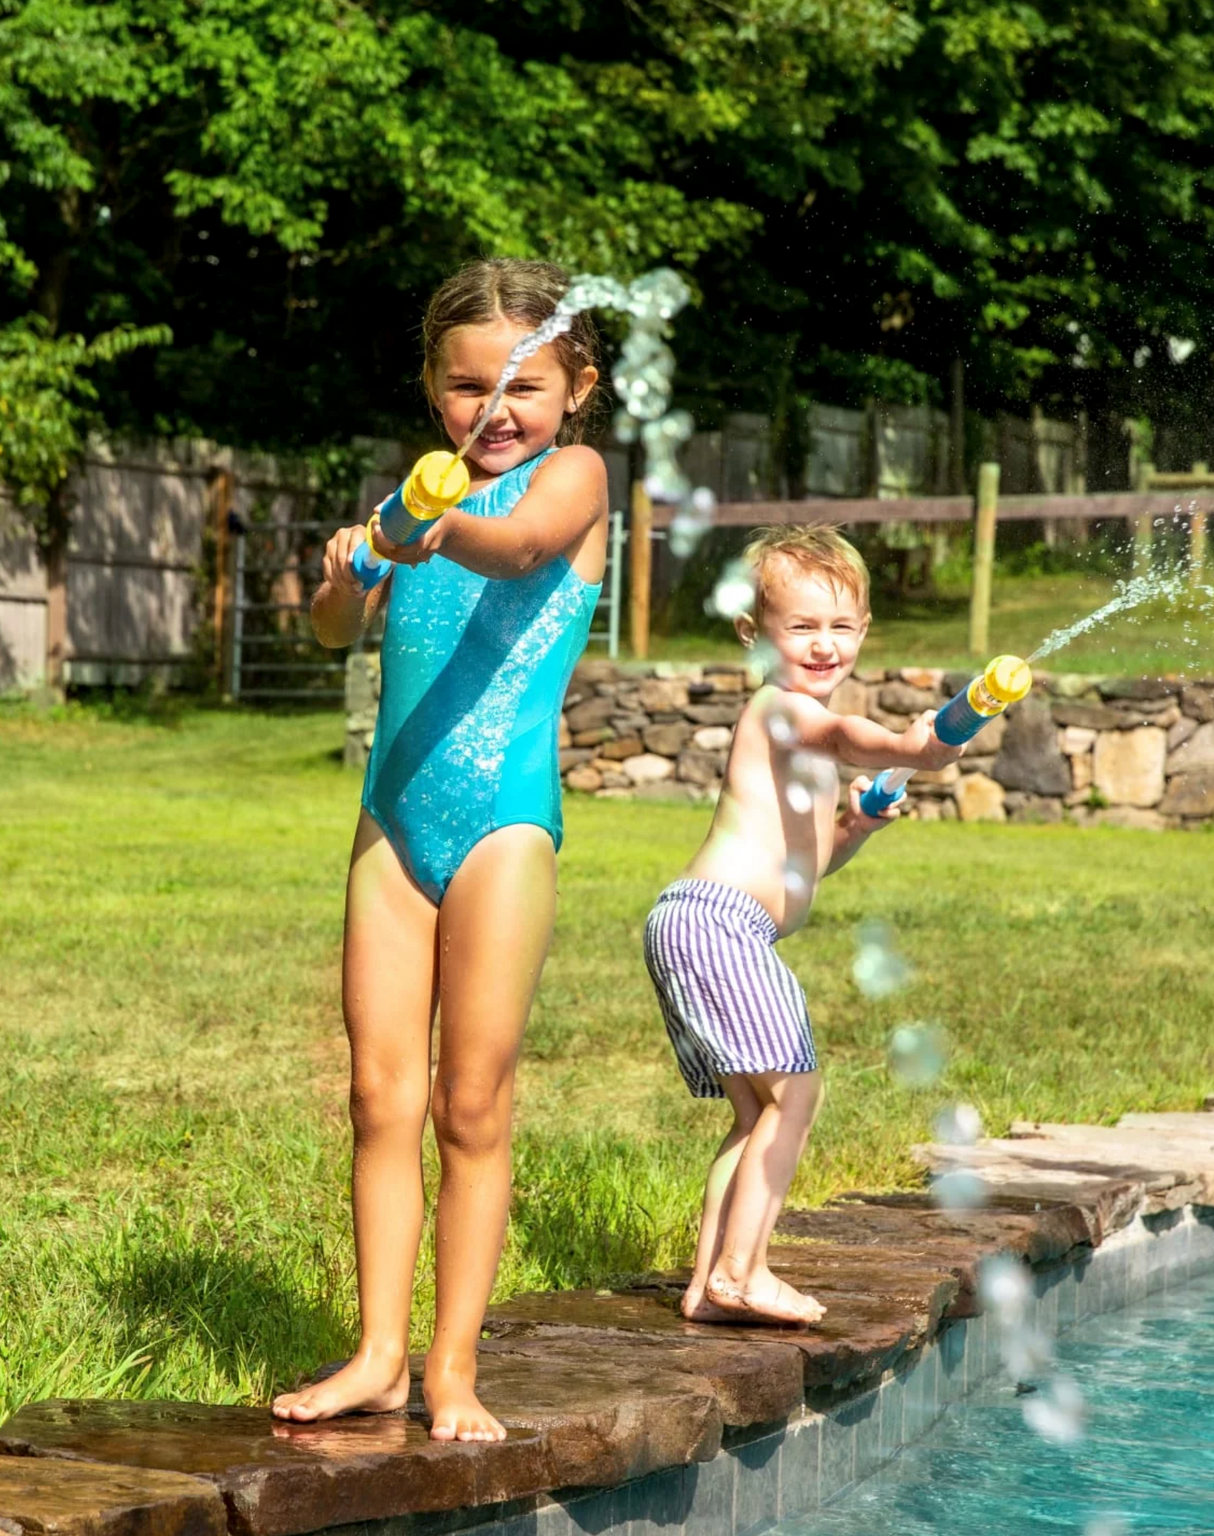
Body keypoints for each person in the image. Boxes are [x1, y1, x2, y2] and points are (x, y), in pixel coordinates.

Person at [271, 260, 607, 1437]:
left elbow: (514, 552)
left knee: (472, 1102)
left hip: (504, 827)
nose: (494, 410)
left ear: (576, 388)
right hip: (390, 826)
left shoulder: (573, 478)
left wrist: (421, 526)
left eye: (523, 386)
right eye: (467, 388)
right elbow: (325, 628)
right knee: (378, 1094)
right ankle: (376, 1354)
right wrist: (339, 572)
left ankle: (451, 1367)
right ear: (432, 388)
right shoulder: (412, 498)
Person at [643, 526, 963, 1327]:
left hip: (705, 924)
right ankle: (743, 1273)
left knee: (757, 1115)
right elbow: (846, 735)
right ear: (755, 637)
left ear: (862, 629)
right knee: (800, 1091)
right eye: (801, 627)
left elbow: (805, 867)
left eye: (841, 626)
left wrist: (857, 827)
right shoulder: (782, 710)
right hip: (720, 925)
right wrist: (904, 746)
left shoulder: (804, 734)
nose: (824, 645)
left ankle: (710, 1285)